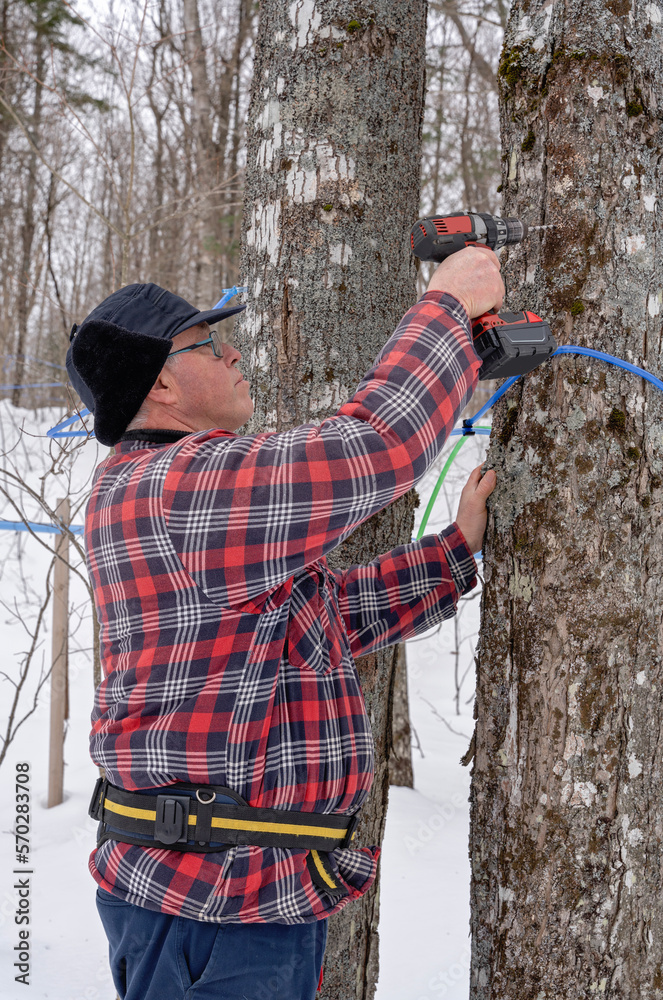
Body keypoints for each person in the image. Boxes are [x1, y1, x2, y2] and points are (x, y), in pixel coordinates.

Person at [66, 246, 503, 1000]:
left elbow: (312, 626)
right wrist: (446, 307)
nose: (234, 354)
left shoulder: (165, 491)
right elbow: (378, 446)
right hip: (212, 908)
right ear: (160, 384)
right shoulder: (181, 488)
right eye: (209, 345)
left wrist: (452, 554)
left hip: (231, 897)